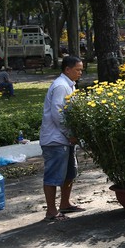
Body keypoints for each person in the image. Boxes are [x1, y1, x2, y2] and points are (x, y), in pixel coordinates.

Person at [40, 55, 84, 222]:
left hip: (65, 139)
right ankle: (51, 211)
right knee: (53, 176)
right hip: (56, 140)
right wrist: (69, 134)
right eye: (78, 70)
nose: (81, 72)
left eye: (81, 69)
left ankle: (65, 203)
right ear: (67, 69)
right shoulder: (60, 86)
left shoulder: (69, 85)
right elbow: (58, 114)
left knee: (69, 173)